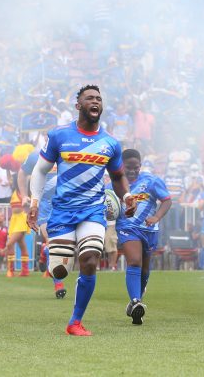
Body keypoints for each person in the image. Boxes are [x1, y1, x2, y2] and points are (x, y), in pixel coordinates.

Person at [27, 84, 136, 336]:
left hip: (93, 211)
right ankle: (53, 258)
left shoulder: (110, 143)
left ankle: (75, 322)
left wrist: (128, 195)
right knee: (60, 269)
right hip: (63, 211)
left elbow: (118, 177)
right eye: (89, 98)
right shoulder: (59, 136)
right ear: (78, 106)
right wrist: (34, 203)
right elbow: (41, 170)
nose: (95, 101)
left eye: (99, 98)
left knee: (89, 260)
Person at [116, 149, 171, 325]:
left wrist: (156, 217)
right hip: (127, 228)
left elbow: (167, 200)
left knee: (145, 271)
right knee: (134, 261)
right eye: (128, 168)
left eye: (136, 167)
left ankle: (135, 305)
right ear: (121, 166)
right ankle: (135, 302)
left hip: (149, 230)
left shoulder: (151, 181)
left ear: (140, 166)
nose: (132, 171)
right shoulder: (114, 185)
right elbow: (108, 206)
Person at [18, 149, 66, 298]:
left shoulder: (67, 154)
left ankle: (45, 253)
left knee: (64, 248)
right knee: (53, 242)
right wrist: (25, 196)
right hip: (44, 205)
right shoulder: (34, 156)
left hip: (64, 205)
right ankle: (58, 285)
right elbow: (22, 174)